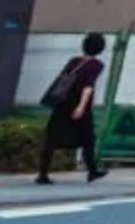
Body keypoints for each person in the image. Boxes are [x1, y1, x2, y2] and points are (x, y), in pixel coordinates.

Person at [36, 31, 108, 184]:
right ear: (100, 48)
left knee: (52, 138)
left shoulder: (73, 61)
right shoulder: (96, 65)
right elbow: (88, 87)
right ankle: (92, 171)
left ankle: (42, 174)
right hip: (78, 104)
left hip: (62, 103)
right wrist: (81, 107)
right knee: (88, 139)